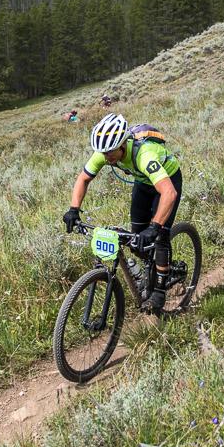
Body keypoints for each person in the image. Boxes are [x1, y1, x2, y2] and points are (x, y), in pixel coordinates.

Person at [62, 113, 182, 313]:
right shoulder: (104, 153)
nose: (106, 157)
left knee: (159, 236)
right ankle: (150, 269)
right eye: (103, 153)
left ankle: (160, 288)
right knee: (136, 237)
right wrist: (73, 209)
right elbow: (83, 179)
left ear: (123, 145)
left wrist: (154, 226)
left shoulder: (145, 155)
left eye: (110, 152)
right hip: (143, 183)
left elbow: (169, 193)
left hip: (168, 181)